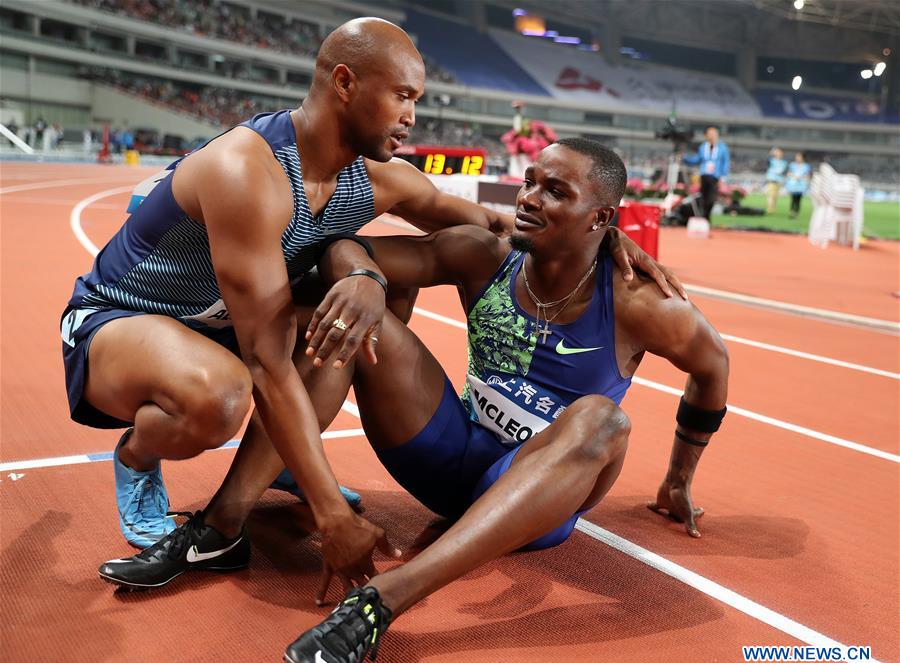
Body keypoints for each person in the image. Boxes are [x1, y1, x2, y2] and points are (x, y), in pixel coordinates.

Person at [70, 18, 676, 582]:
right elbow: (266, 362)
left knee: (346, 325)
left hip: (226, 326)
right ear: (344, 83)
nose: (412, 117)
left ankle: (275, 470)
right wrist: (332, 515)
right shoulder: (246, 171)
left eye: (417, 100)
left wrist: (600, 233)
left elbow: (501, 227)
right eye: (402, 96)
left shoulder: (377, 179)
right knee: (221, 395)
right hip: (124, 318)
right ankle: (138, 458)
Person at [280, 139, 729, 663]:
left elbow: (714, 367)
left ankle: (379, 603)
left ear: (600, 219)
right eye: (530, 182)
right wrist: (365, 280)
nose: (529, 198)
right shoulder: (488, 255)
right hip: (451, 453)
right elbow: (347, 247)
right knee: (359, 315)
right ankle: (249, 501)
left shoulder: (644, 303)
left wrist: (679, 478)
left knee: (603, 420)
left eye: (555, 191)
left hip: (534, 497)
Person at [682, 126, 730, 220]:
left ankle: (707, 215)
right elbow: (697, 159)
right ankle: (704, 217)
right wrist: (686, 158)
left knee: (711, 199)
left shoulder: (722, 147)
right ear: (706, 135)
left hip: (715, 176)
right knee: (703, 197)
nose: (711, 136)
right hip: (704, 176)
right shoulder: (703, 147)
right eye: (709, 134)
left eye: (713, 134)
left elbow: (725, 162)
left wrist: (723, 176)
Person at [785, 151, 811, 219]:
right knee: (793, 199)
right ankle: (791, 212)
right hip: (793, 184)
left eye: (799, 156)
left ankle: (796, 212)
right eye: (797, 156)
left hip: (801, 185)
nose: (797, 158)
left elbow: (808, 175)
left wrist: (803, 178)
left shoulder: (806, 166)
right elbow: (788, 173)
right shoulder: (792, 165)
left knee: (798, 199)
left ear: (803, 158)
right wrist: (794, 176)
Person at [764, 147, 787, 214]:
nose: (778, 153)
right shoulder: (771, 160)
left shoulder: (784, 162)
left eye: (779, 152)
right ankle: (769, 208)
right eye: (777, 152)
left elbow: (783, 171)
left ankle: (772, 208)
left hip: (779, 181)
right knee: (771, 194)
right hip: (771, 180)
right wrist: (770, 154)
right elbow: (767, 162)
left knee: (775, 196)